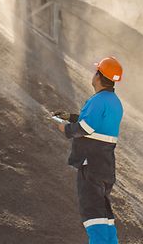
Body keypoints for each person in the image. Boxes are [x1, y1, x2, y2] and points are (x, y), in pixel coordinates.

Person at [53, 56, 124, 244]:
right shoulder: (114, 102)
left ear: (99, 76)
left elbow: (86, 128)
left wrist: (65, 128)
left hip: (90, 165)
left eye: (96, 71)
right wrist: (72, 117)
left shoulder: (99, 99)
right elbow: (97, 124)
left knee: (92, 215)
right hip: (105, 167)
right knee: (105, 216)